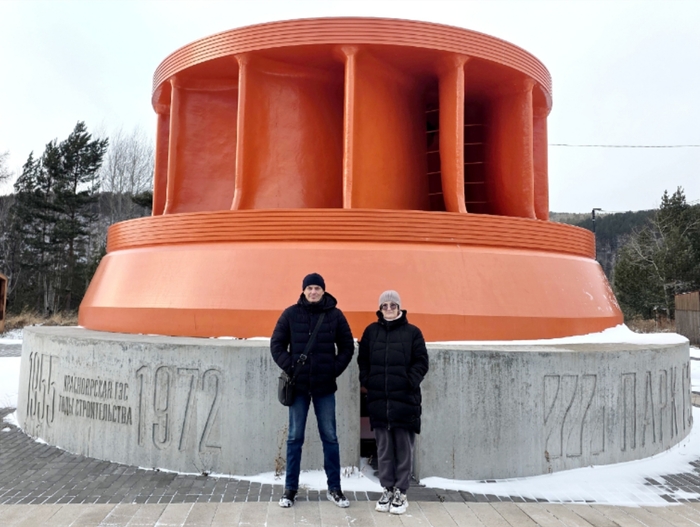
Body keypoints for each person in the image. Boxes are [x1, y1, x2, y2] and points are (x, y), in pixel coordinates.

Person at [271, 273, 355, 508]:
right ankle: (290, 489)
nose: (313, 292)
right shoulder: (290, 314)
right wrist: (291, 367)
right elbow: (276, 344)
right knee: (294, 438)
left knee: (330, 437)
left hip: (324, 387)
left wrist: (333, 370)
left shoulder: (335, 315)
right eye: (309, 288)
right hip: (298, 388)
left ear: (323, 290)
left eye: (317, 288)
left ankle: (335, 489)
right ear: (304, 290)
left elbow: (347, 347)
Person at [358, 290, 429, 515]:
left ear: (399, 307)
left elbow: (421, 362)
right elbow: (363, 360)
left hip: (405, 401)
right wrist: (368, 381)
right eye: (385, 305)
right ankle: (387, 489)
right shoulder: (371, 332)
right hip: (379, 401)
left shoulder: (413, 332)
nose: (389, 309)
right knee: (384, 448)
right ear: (380, 308)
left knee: (404, 448)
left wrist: (408, 381)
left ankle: (401, 492)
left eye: (393, 305)